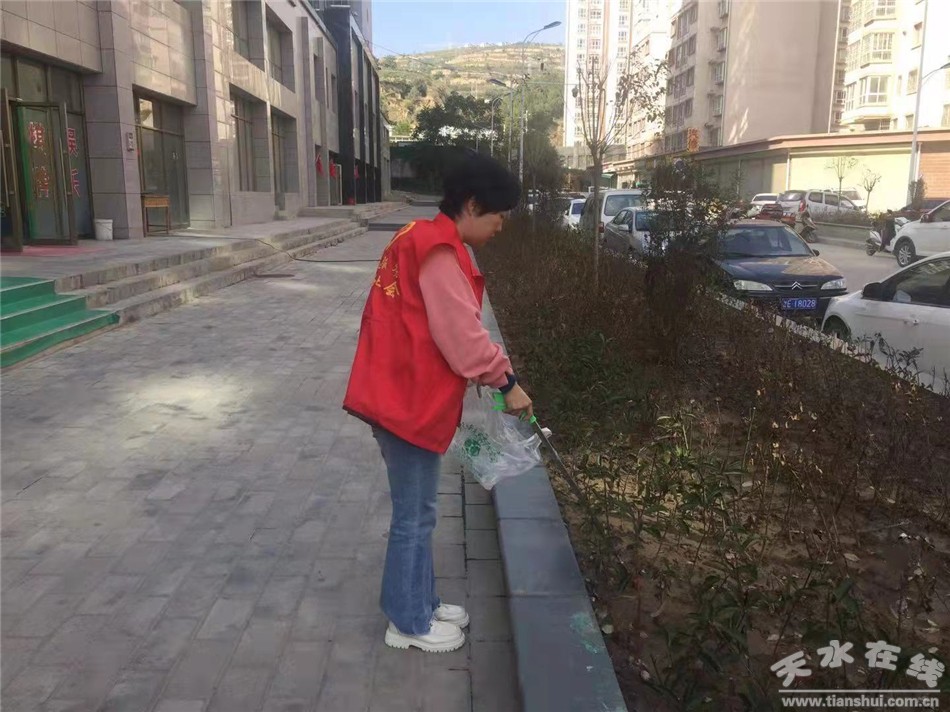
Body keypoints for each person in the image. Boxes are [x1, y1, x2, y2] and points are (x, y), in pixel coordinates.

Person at [343, 154, 533, 653]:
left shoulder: (419, 237)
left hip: (400, 392)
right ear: (472, 205)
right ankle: (407, 622)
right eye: (498, 215)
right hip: (405, 402)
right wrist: (506, 381)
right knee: (414, 515)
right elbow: (463, 338)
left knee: (420, 511)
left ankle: (421, 601)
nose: (500, 226)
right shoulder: (439, 252)